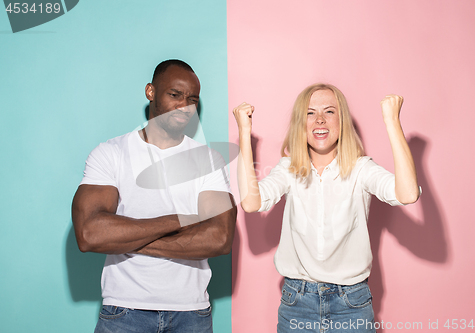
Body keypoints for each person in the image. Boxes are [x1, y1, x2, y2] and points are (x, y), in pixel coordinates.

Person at [233, 83, 420, 333]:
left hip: (351, 304)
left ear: (342, 121)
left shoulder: (361, 169)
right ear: (302, 123)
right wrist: (244, 133)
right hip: (297, 302)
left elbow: (407, 194)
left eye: (329, 112)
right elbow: (251, 201)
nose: (319, 119)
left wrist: (392, 122)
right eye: (311, 113)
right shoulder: (288, 169)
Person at [72, 59, 237, 333]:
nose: (184, 106)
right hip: (124, 311)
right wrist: (182, 218)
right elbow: (90, 234)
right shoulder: (111, 153)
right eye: (175, 95)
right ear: (151, 91)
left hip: (191, 313)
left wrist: (124, 239)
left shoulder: (208, 159)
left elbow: (219, 238)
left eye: (192, 99)